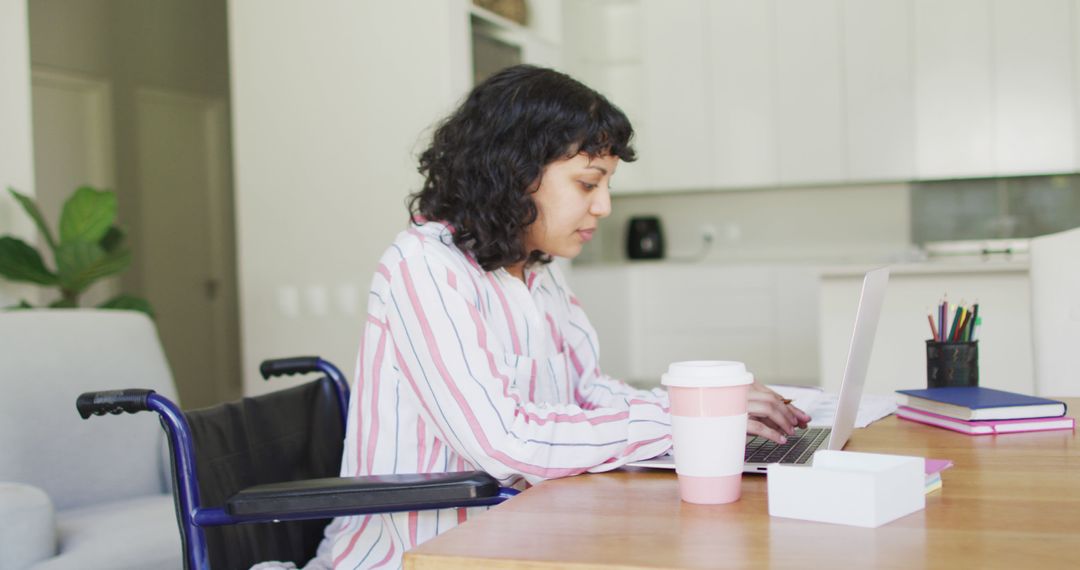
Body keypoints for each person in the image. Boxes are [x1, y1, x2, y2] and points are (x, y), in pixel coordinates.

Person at [317, 65, 809, 569]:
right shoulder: (423, 267)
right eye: (588, 184)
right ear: (514, 174)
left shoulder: (534, 269)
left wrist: (707, 409)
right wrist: (687, 422)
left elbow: (588, 391)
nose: (604, 206)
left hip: (524, 533)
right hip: (421, 556)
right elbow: (506, 442)